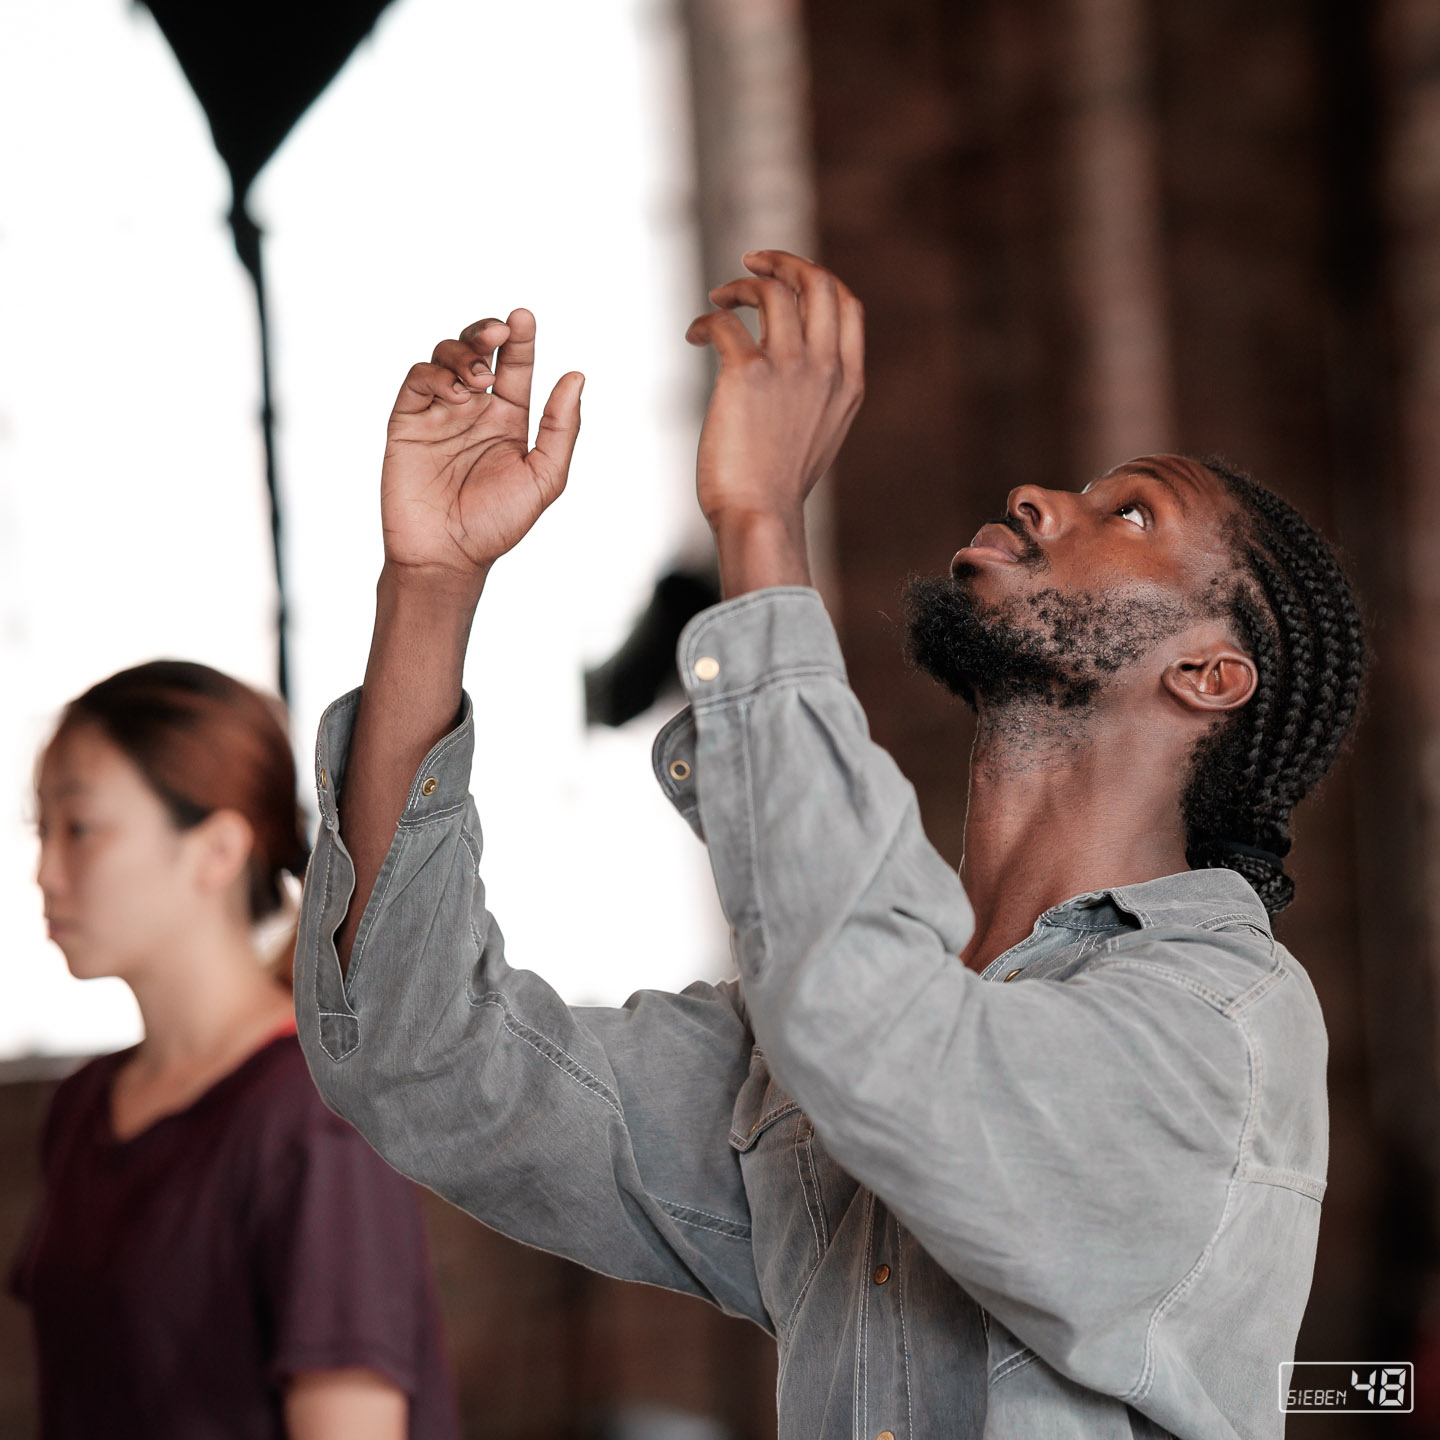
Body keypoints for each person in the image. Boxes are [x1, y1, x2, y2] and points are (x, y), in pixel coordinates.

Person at [292, 252, 1364, 1439]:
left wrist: (760, 521)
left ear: (1208, 676)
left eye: (1130, 512)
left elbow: (884, 1039)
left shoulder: (1219, 1025)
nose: (1036, 497)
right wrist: (430, 586)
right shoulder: (815, 1036)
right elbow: (414, 1055)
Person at [12, 661, 459, 1440]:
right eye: (40, 829)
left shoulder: (317, 1120)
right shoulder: (82, 1107)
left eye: (79, 828)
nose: (45, 872)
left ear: (218, 850)